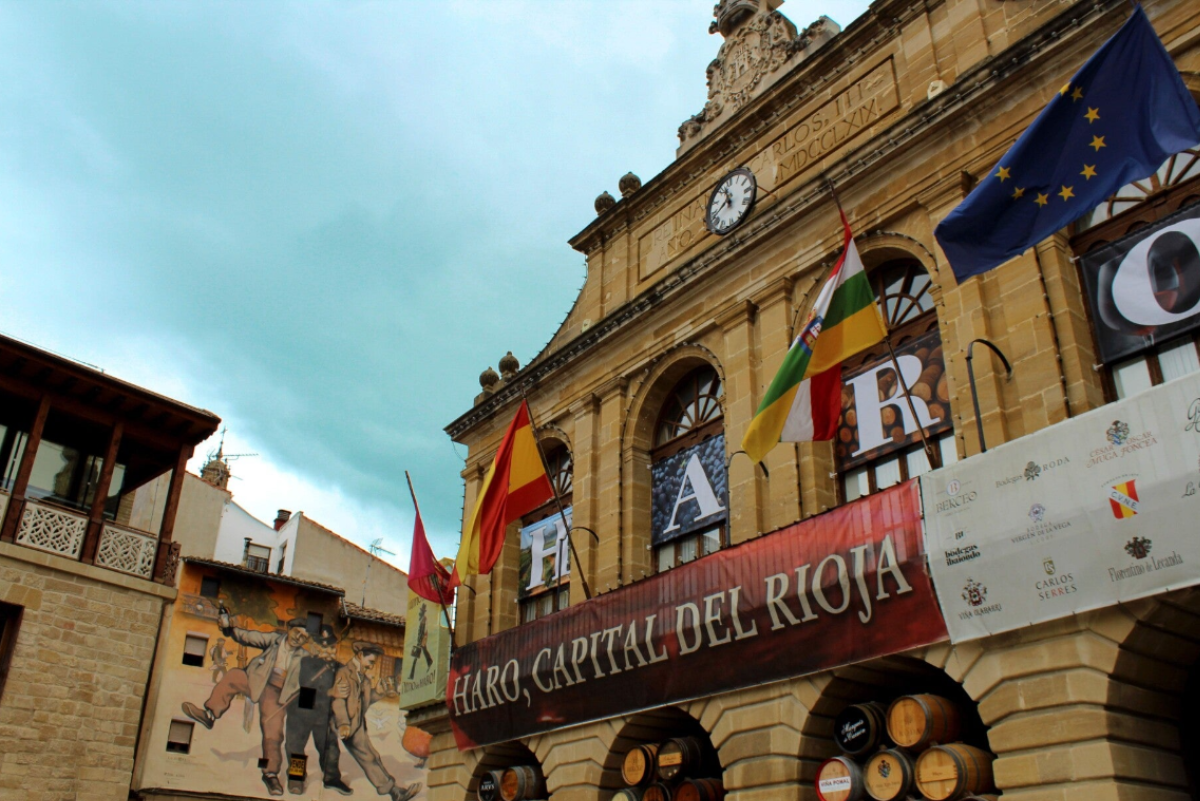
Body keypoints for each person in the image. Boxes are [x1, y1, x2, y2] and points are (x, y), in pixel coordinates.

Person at [181, 612, 311, 797]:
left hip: (279, 695)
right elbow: (248, 637)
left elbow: (310, 683)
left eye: (305, 637)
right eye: (297, 633)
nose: (300, 638)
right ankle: (209, 714)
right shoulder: (274, 639)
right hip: (257, 681)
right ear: (289, 630)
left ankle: (274, 774)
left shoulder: (306, 656)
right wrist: (228, 628)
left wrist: (305, 707)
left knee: (275, 735)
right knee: (234, 675)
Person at [331, 642, 420, 801]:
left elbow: (364, 701)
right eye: (371, 661)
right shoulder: (343, 673)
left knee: (372, 756)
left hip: (357, 724)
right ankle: (394, 792)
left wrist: (378, 692)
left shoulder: (364, 679)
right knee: (365, 757)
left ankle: (394, 791)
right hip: (343, 724)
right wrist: (343, 724)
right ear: (360, 655)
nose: (373, 666)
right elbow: (338, 701)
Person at [284, 624, 349, 795]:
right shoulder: (307, 662)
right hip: (302, 709)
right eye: (323, 645)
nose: (328, 649)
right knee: (296, 745)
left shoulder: (339, 668)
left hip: (324, 712)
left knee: (330, 747)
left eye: (331, 646)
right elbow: (307, 685)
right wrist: (331, 691)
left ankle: (331, 778)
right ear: (315, 646)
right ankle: (296, 778)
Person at [407, 605, 433, 680]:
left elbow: (422, 631)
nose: (420, 612)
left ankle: (412, 674)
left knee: (418, 655)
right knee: (421, 653)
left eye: (421, 611)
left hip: (422, 639)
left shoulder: (423, 619)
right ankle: (429, 662)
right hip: (421, 639)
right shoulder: (421, 619)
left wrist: (419, 640)